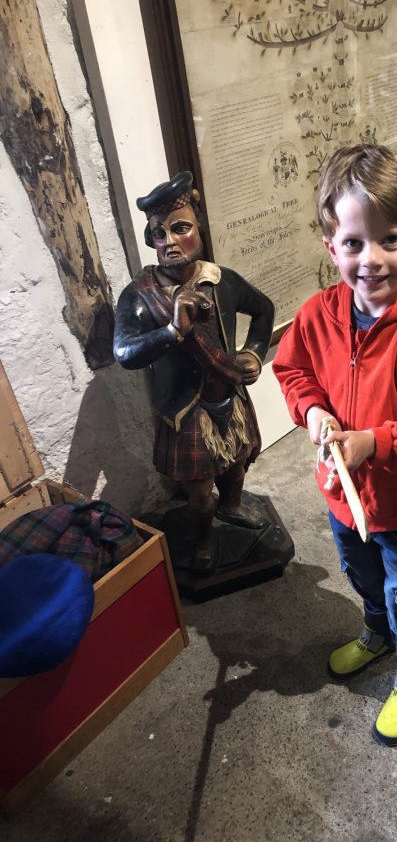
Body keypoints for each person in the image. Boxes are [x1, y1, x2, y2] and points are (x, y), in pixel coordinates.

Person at [273, 145, 397, 746]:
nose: (372, 259)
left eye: (390, 240)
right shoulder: (316, 315)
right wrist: (312, 410)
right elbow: (293, 370)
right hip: (342, 495)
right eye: (354, 242)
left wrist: (375, 443)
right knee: (361, 574)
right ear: (331, 245)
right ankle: (376, 634)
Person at [113, 171, 275, 571]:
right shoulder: (141, 296)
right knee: (200, 492)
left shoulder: (222, 281)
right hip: (187, 410)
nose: (169, 240)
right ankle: (204, 536)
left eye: (180, 228)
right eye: (159, 233)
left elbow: (263, 310)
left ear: (198, 227)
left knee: (237, 465)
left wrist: (254, 354)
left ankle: (232, 506)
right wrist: (170, 332)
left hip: (230, 398)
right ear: (151, 240)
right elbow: (125, 352)